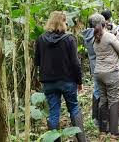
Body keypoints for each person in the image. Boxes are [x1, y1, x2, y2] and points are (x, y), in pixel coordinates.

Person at [35, 11, 86, 142]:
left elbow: (37, 62)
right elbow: (75, 63)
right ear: (61, 23)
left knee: (53, 112)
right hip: (67, 81)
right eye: (65, 21)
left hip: (49, 82)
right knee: (74, 108)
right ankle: (82, 140)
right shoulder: (69, 39)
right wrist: (79, 81)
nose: (66, 24)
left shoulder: (41, 39)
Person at [92, 14, 119, 139]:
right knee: (114, 99)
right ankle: (114, 132)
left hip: (98, 73)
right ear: (104, 23)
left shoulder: (93, 37)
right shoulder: (108, 36)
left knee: (103, 100)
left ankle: (103, 130)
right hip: (111, 72)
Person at [81, 15, 101, 125]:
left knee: (97, 90)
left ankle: (95, 117)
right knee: (100, 91)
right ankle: (99, 119)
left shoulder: (88, 35)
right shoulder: (97, 36)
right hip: (101, 66)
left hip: (94, 66)